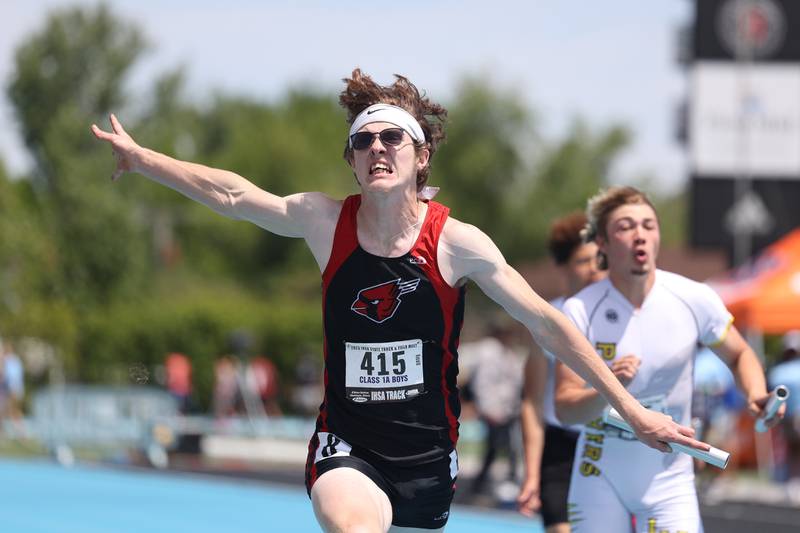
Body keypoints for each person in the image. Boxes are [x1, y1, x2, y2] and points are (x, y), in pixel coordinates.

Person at [92, 70, 710, 533]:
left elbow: (547, 324)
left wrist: (630, 410)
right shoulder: (322, 222)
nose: (378, 148)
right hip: (346, 441)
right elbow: (232, 194)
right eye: (364, 141)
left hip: (426, 459)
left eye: (393, 137)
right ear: (353, 162)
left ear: (420, 156)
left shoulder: (457, 243)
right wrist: (145, 160)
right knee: (352, 521)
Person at [554, 186, 783, 533]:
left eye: (648, 225)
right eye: (626, 226)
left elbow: (739, 354)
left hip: (669, 477)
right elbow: (565, 409)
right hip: (599, 471)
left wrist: (755, 392)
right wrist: (609, 386)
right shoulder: (580, 310)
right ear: (601, 242)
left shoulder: (694, 298)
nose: (640, 235)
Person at [517, 212, 606, 532]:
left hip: (608, 445)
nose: (595, 269)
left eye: (601, 259)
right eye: (584, 261)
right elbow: (533, 402)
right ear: (563, 266)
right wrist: (531, 474)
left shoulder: (619, 317)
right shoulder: (546, 319)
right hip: (560, 452)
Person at [460, 323, 525, 498]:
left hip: (507, 409)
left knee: (505, 447)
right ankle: (479, 486)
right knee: (497, 446)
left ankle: (485, 483)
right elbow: (483, 383)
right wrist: (490, 409)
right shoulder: (489, 351)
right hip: (494, 409)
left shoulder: (507, 353)